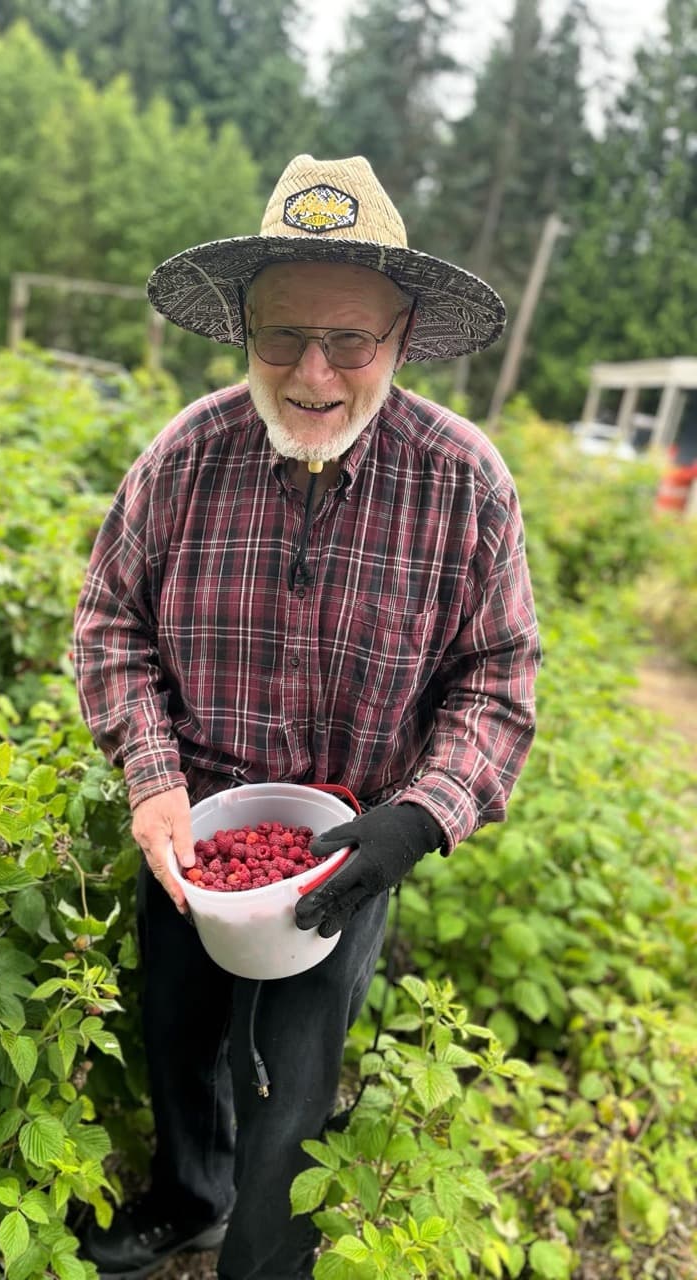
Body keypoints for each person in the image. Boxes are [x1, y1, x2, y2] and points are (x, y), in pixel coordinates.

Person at [72, 154, 540, 1280]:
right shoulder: (182, 459)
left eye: (350, 341)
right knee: (179, 1033)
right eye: (281, 336)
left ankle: (263, 1256)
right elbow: (109, 628)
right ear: (243, 325)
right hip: (194, 832)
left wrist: (415, 820)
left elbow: (497, 678)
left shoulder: (463, 483)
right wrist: (153, 778)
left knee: (291, 1076)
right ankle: (189, 1194)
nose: (313, 372)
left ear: (402, 331)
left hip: (346, 847)